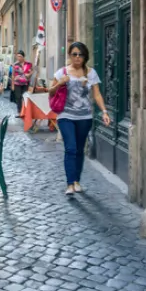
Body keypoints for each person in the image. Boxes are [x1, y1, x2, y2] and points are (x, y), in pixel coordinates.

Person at [49, 42, 111, 196]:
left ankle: (76, 180)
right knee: (70, 148)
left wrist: (104, 111)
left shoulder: (91, 73)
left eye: (80, 55)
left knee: (79, 149)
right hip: (66, 116)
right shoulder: (61, 73)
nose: (77, 57)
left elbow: (96, 94)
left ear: (85, 57)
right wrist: (60, 84)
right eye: (74, 54)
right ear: (70, 55)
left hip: (84, 116)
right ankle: (70, 184)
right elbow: (50, 92)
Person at [12, 50, 33, 115]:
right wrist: (12, 85)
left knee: (25, 96)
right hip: (17, 83)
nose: (18, 58)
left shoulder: (28, 64)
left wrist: (29, 75)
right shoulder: (15, 64)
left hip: (25, 83)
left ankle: (25, 110)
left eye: (20, 56)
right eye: (17, 56)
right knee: (18, 97)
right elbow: (12, 75)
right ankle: (20, 111)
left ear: (23, 57)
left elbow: (32, 71)